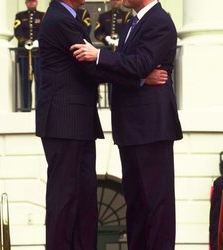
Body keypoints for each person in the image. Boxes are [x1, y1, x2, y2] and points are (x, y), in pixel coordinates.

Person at [36, 0, 168, 249]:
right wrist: (140, 78)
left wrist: (112, 64)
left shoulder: (71, 17)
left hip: (78, 122)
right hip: (64, 122)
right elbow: (90, 66)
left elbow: (94, 63)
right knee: (65, 202)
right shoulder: (60, 19)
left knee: (84, 204)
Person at [71, 0, 183, 249]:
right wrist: (142, 79)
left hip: (151, 128)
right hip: (130, 128)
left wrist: (100, 55)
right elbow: (129, 69)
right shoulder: (131, 23)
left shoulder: (159, 21)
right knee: (136, 207)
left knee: (156, 206)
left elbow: (138, 64)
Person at [13, 0, 44, 111]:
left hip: (39, 55)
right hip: (24, 55)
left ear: (36, 2)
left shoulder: (42, 16)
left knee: (40, 82)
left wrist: (37, 42)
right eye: (29, 2)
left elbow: (44, 31)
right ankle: (26, 108)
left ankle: (40, 108)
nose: (31, 3)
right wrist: (26, 42)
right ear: (26, 3)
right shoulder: (19, 16)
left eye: (33, 1)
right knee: (25, 82)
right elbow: (18, 32)